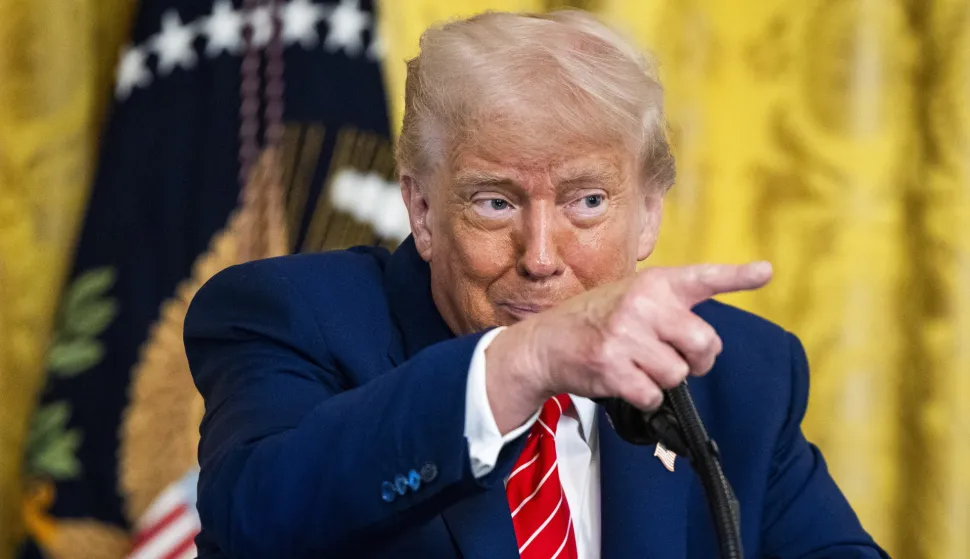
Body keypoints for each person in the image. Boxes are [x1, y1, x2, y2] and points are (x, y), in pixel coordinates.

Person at [184, 10, 886, 559]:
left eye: (587, 202)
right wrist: (524, 361)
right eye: (496, 202)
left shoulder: (730, 370)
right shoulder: (290, 316)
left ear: (648, 216)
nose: (542, 257)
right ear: (422, 209)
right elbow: (253, 521)